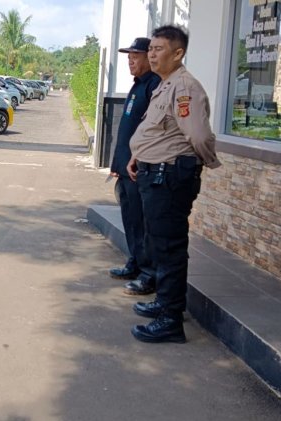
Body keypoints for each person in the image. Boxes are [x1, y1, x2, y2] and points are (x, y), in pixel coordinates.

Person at [127, 25, 221, 343]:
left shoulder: (184, 88)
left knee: (169, 248)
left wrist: (204, 161)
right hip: (154, 174)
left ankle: (170, 320)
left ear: (178, 53)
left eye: (159, 49)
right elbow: (160, 132)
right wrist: (138, 153)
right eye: (150, 48)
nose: (152, 54)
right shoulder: (165, 85)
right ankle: (165, 303)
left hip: (169, 178)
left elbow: (198, 135)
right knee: (159, 243)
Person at [107, 37, 161, 299]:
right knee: (130, 220)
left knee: (142, 223)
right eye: (128, 56)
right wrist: (117, 165)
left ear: (149, 57)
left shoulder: (154, 86)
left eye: (135, 56)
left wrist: (137, 160)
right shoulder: (137, 86)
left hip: (139, 169)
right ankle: (135, 263)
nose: (130, 60)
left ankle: (149, 274)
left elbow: (152, 131)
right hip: (125, 170)